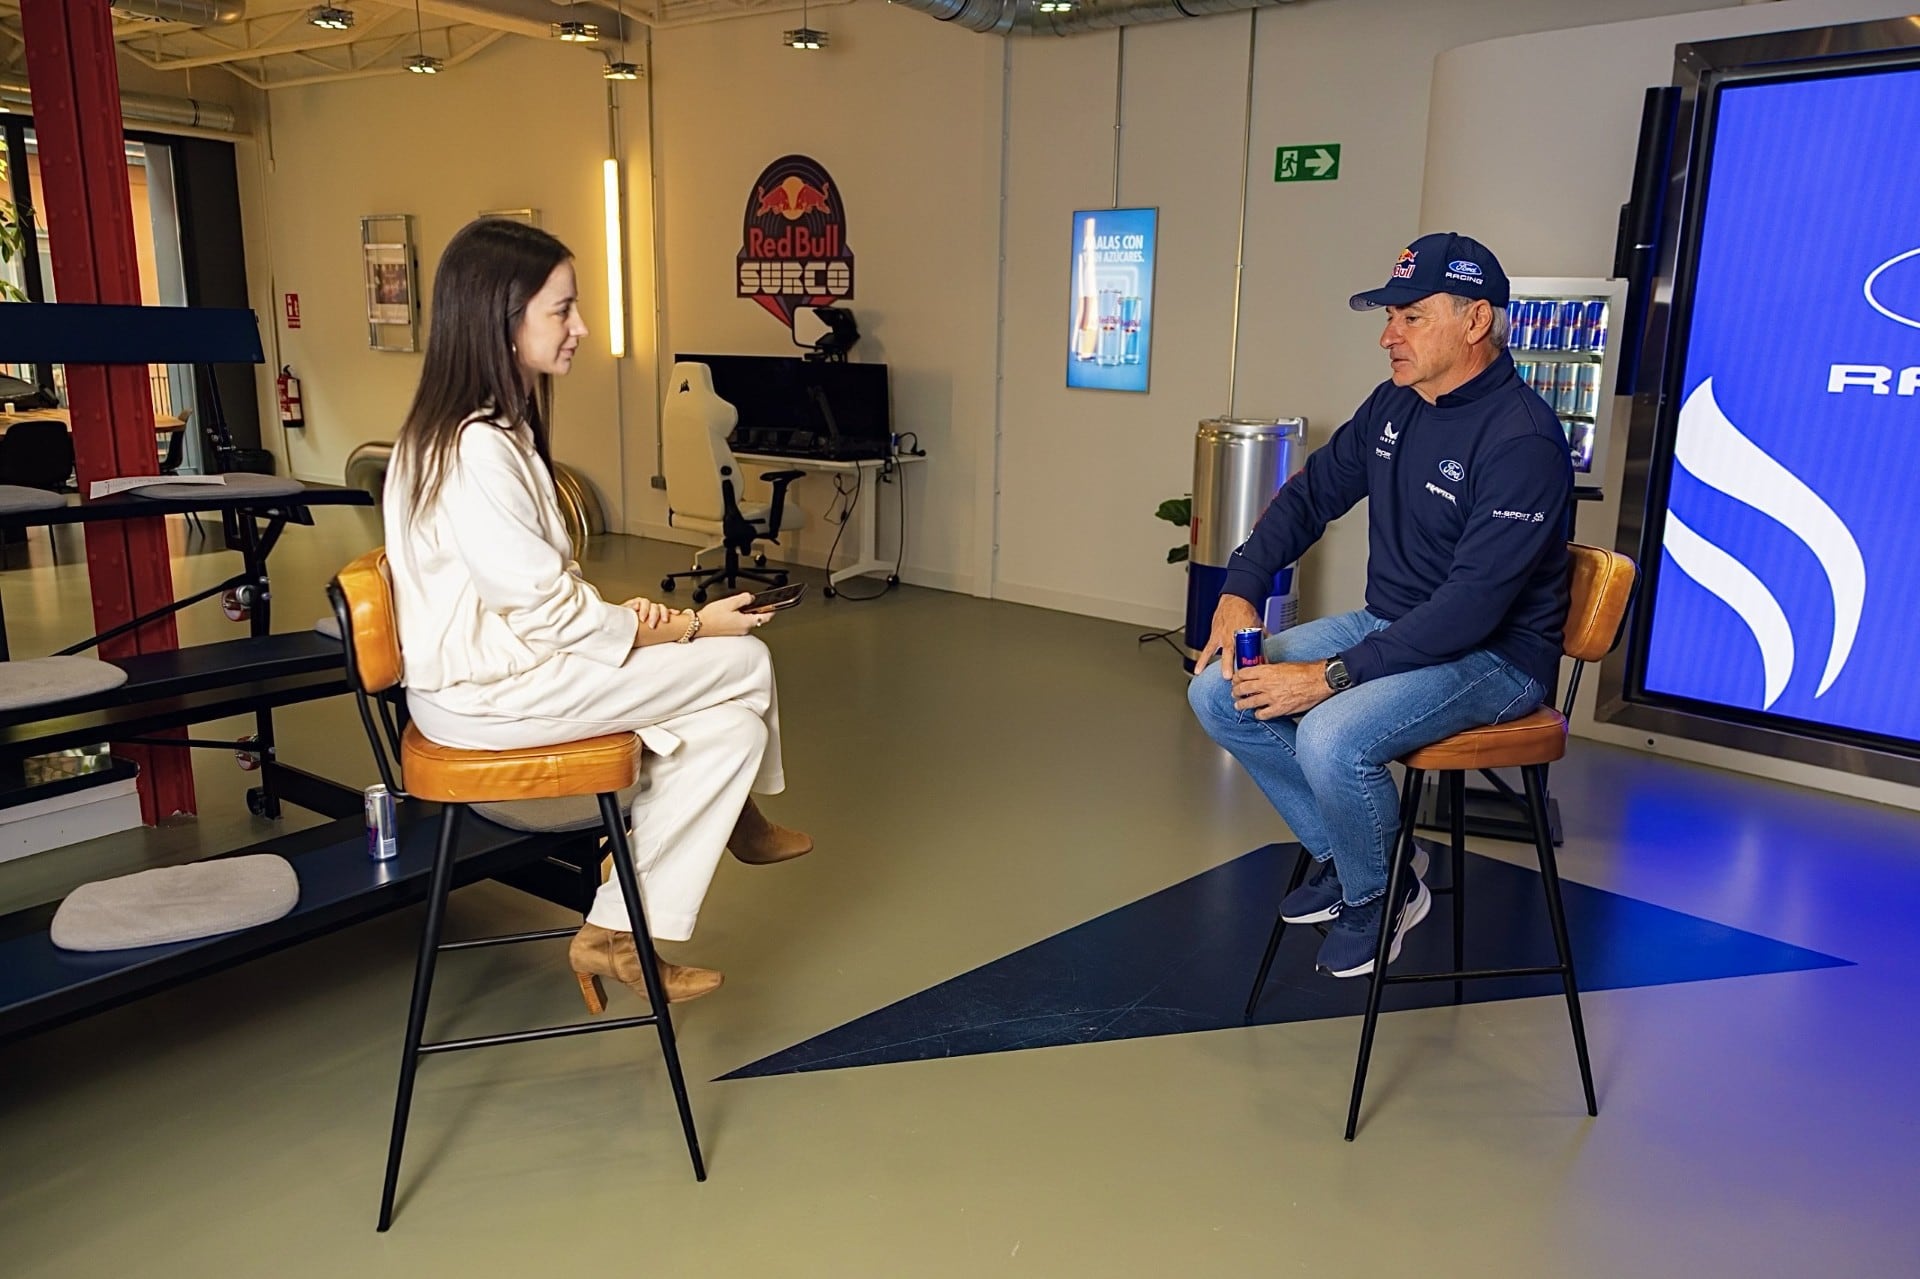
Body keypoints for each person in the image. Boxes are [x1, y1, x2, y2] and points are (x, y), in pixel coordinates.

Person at [383, 217, 811, 1010]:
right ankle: (735, 821)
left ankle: (609, 933)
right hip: (489, 700)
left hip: (509, 669)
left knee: (735, 730)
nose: (580, 328)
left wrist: (625, 617)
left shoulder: (478, 431)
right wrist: (683, 625)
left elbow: (532, 593)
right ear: (499, 319)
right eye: (562, 309)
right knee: (743, 661)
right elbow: (546, 612)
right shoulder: (475, 448)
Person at [1188, 232, 1571, 979]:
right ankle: (1364, 853)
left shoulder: (1521, 438)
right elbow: (1310, 496)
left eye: (1411, 316)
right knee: (1216, 692)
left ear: (1476, 320)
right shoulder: (1396, 404)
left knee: (1332, 734)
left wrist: (1331, 675)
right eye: (1389, 314)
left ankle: (1379, 891)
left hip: (1493, 656)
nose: (1388, 334)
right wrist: (1240, 587)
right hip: (1393, 628)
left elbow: (1471, 607)